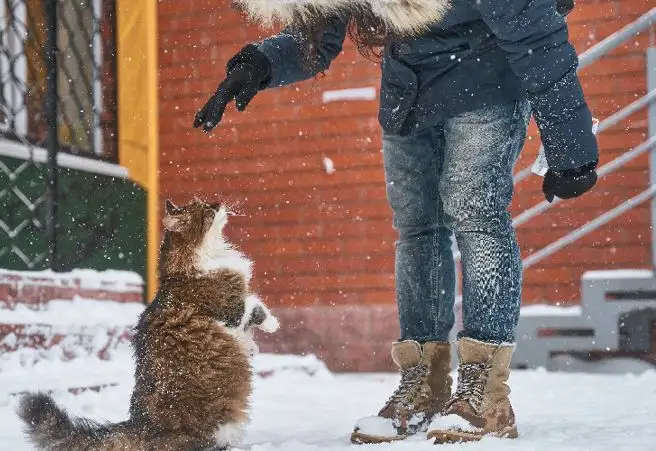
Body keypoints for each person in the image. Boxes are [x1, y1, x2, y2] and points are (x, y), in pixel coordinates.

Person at [194, 0, 598, 444]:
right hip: (408, 92)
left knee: (476, 214)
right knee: (417, 230)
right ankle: (424, 382)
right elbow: (318, 33)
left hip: (487, 83)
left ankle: (485, 391)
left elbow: (533, 28)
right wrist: (260, 63)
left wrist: (570, 146)